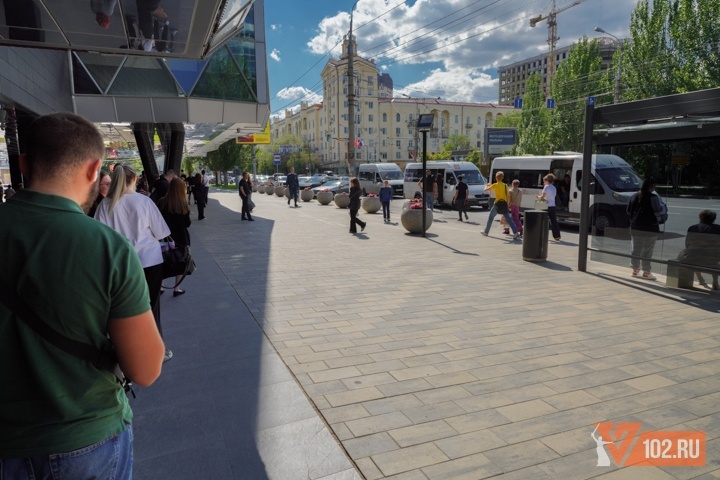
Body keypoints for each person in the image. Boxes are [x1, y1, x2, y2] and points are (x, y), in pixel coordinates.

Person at [0, 112, 164, 478]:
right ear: (93, 170)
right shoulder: (109, 248)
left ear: (23, 164)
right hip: (87, 437)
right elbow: (146, 369)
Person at [95, 163, 173, 360]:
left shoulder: (105, 205)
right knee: (151, 307)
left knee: (124, 309)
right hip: (150, 261)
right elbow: (162, 233)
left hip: (120, 265)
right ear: (135, 178)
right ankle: (157, 352)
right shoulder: (144, 202)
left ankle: (128, 352)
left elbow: (99, 238)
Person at [626, 177, 666, 281]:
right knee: (647, 251)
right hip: (650, 228)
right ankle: (646, 272)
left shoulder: (634, 196)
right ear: (652, 186)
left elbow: (628, 211)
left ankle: (635, 270)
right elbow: (658, 212)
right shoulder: (653, 197)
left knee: (635, 249)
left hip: (635, 227)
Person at [158, 177, 191, 296]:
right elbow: (187, 223)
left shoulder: (162, 202)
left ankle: (161, 287)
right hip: (181, 238)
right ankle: (176, 288)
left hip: (165, 237)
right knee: (180, 261)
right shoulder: (184, 205)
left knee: (164, 260)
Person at [676, 209, 720, 289]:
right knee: (713, 259)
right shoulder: (718, 228)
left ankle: (700, 279)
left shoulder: (692, 228)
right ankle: (715, 281)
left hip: (693, 258)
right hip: (713, 259)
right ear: (713, 219)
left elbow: (687, 245)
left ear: (700, 217)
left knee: (694, 253)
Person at [482, 171, 520, 239]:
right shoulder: (505, 185)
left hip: (497, 204)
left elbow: (485, 190)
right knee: (509, 219)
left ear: (496, 178)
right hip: (504, 204)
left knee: (491, 218)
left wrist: (487, 185)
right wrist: (508, 204)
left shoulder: (495, 185)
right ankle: (515, 232)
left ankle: (486, 232)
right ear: (502, 178)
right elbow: (507, 195)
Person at [538, 173, 561, 241]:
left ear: (547, 180)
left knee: (542, 220)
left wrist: (538, 197)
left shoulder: (546, 187)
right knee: (553, 221)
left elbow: (543, 197)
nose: (543, 182)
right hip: (552, 205)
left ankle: (542, 235)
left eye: (544, 180)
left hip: (546, 205)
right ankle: (557, 236)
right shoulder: (554, 187)